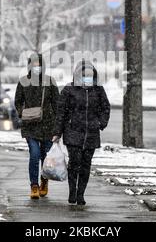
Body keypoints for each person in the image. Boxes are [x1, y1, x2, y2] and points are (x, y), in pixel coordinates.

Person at [53, 60, 110, 205]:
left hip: (91, 134)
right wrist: (57, 133)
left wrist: (100, 123)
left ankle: (81, 194)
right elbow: (61, 113)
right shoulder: (69, 90)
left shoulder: (98, 90)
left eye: (90, 75)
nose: (87, 78)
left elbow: (105, 108)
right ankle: (72, 191)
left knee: (86, 164)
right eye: (85, 75)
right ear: (78, 75)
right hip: (73, 133)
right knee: (74, 162)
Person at [15, 53, 59, 199]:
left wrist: (58, 126)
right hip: (30, 126)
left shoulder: (49, 81)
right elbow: (18, 101)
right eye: (34, 65)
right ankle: (34, 185)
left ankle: (44, 181)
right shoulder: (23, 82)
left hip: (48, 125)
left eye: (39, 65)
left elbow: (56, 104)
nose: (36, 68)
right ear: (29, 66)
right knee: (34, 155)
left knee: (46, 157)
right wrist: (23, 113)